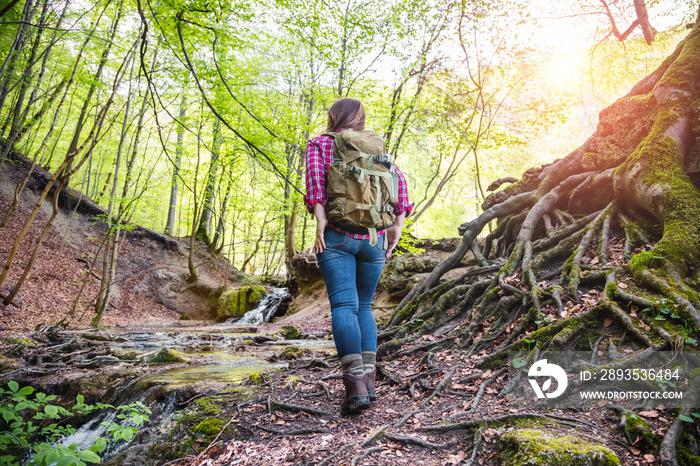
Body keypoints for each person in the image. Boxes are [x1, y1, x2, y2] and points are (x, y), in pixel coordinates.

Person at [303, 98, 413, 415]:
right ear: (360, 119)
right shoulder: (375, 147)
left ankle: (354, 387)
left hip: (337, 236)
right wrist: (396, 229)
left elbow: (316, 186)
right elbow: (400, 187)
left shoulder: (321, 143)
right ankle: (370, 380)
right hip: (374, 239)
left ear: (333, 116)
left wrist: (321, 220)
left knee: (344, 306)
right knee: (364, 307)